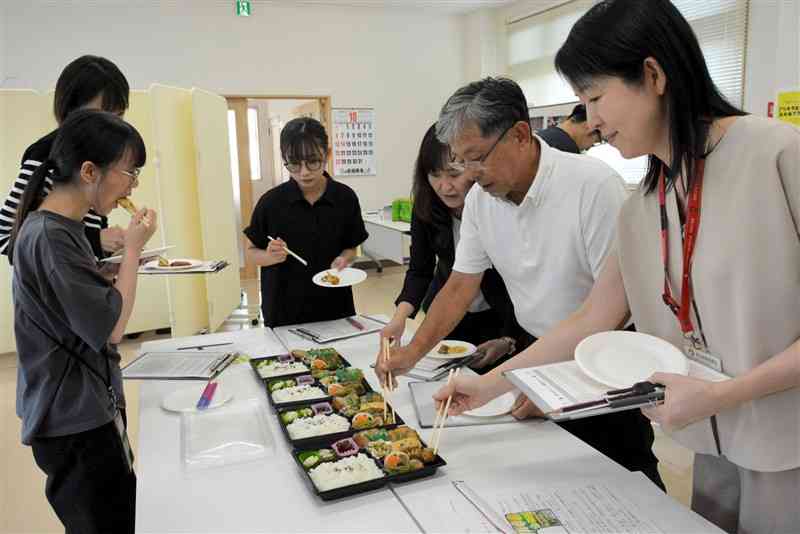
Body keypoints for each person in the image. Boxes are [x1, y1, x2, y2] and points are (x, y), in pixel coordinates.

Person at [433, 2, 799, 533]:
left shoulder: (774, 153)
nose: (591, 119)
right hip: (709, 433)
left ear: (653, 75)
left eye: (596, 96)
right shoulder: (644, 203)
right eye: (583, 100)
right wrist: (491, 386)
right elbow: (591, 318)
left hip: (783, 439)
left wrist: (722, 395)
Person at [376, 77, 663, 488]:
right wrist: (413, 352)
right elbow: (459, 286)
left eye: (477, 158)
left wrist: (550, 378)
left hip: (600, 359)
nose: (470, 176)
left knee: (624, 473)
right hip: (536, 347)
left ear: (520, 135)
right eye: (461, 163)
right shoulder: (481, 200)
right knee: (547, 471)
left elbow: (613, 311)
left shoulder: (592, 187)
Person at [10, 110, 156, 533]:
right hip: (74, 419)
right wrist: (131, 252)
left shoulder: (61, 227)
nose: (131, 186)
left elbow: (73, 299)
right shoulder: (51, 235)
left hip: (86, 405)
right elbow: (112, 327)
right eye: (130, 172)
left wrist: (109, 270)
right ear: (90, 171)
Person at [380, 124, 523, 370]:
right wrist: (400, 317)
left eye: (454, 174)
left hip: (501, 313)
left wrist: (509, 338)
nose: (444, 187)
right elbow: (420, 270)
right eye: (435, 175)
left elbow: (520, 280)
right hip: (448, 313)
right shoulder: (426, 207)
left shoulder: (497, 205)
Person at [1, 55, 132, 261]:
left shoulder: (98, 157)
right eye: (102, 116)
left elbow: (85, 244)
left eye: (119, 117)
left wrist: (119, 254)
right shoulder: (43, 154)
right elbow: (5, 237)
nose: (112, 127)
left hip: (87, 285)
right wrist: (96, 239)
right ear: (70, 111)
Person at [243, 117, 369, 328]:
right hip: (284, 310)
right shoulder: (271, 202)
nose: (304, 172)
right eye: (294, 163)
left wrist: (344, 259)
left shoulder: (345, 198)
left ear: (327, 155)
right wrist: (270, 256)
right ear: (284, 158)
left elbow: (351, 247)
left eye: (312, 161)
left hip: (335, 305)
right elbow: (251, 252)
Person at [537, 104, 601, 153]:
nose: (588, 148)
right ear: (589, 126)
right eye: (594, 143)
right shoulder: (569, 151)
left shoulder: (539, 136)